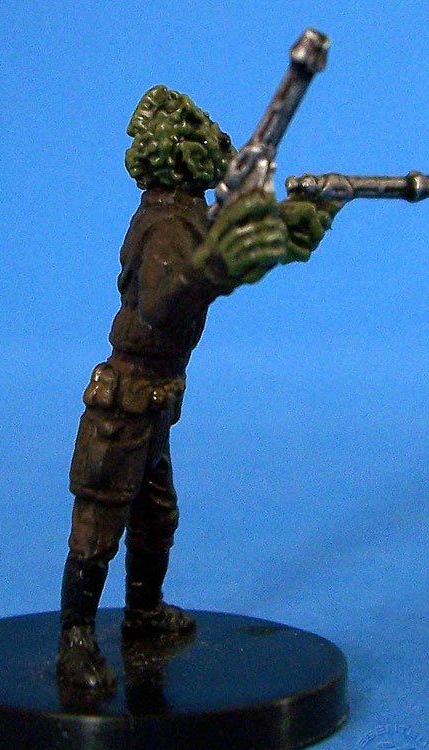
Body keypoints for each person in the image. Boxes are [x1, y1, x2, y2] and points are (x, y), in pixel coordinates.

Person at [57, 85, 336, 692]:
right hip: (125, 402)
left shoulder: (186, 216)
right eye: (209, 136)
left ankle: (143, 612)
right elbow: (164, 301)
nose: (224, 146)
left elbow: (228, 244)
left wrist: (291, 231)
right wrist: (222, 265)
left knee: (156, 517)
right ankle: (76, 640)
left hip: (157, 400)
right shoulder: (164, 224)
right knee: (99, 525)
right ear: (184, 152)